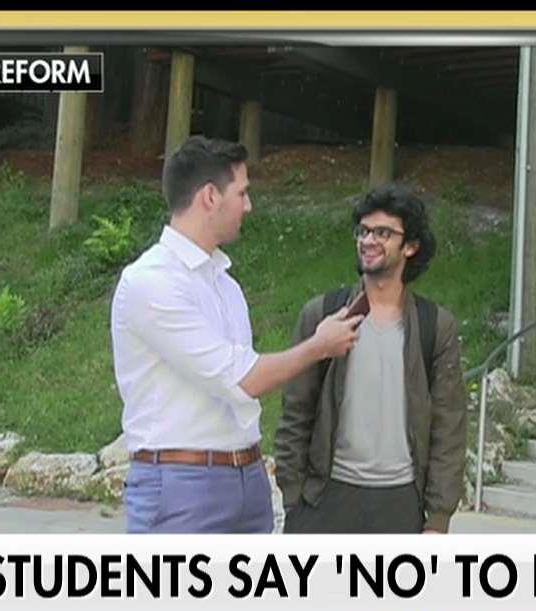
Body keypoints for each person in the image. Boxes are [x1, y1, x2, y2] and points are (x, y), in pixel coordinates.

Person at [110, 135, 361, 533]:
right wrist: (319, 346)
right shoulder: (152, 281)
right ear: (210, 196)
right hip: (181, 486)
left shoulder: (225, 285)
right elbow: (242, 378)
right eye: (242, 193)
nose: (248, 205)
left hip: (247, 477)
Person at [276, 185, 467, 534]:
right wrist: (294, 499)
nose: (368, 240)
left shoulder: (434, 326)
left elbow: (448, 427)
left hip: (400, 502)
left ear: (410, 246)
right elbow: (296, 411)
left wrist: (438, 519)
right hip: (326, 498)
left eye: (383, 233)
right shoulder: (324, 315)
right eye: (363, 231)